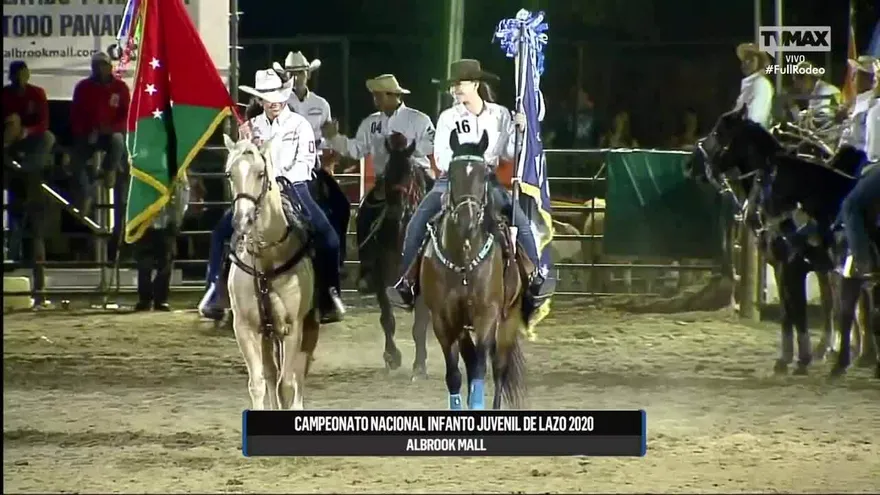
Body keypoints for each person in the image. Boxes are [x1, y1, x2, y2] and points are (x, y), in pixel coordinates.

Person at [385, 58, 545, 311]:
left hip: (486, 181)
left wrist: (519, 131)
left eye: (461, 84)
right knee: (418, 220)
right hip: (452, 181)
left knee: (520, 220)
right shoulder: (449, 117)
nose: (456, 89)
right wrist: (465, 166)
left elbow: (508, 153)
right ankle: (406, 281)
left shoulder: (500, 115)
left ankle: (536, 276)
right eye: (454, 85)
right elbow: (441, 156)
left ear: (476, 84)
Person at [201, 69, 345, 324]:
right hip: (257, 189)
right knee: (221, 232)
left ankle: (329, 294)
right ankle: (214, 291)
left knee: (328, 238)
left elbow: (306, 161)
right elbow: (239, 162)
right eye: (268, 96)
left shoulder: (299, 125)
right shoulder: (252, 128)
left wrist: (278, 177)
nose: (275, 101)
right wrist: (244, 146)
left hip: (294, 185)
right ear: (260, 100)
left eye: (278, 95)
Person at [322, 74, 436, 293]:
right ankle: (367, 268)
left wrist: (409, 147)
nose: (375, 99)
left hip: (417, 173)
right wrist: (335, 138)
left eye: (378, 95)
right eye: (375, 96)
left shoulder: (418, 119)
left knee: (438, 205)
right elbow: (356, 149)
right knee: (365, 212)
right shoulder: (371, 123)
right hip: (387, 178)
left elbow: (431, 142)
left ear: (393, 95)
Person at [274, 51, 350, 272]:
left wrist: (332, 142)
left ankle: (337, 260)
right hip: (285, 167)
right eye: (292, 73)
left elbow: (328, 138)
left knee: (342, 206)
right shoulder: (279, 102)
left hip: (314, 165)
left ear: (308, 74)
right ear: (286, 76)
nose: (297, 77)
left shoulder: (321, 104)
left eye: (300, 72)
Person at [69, 52, 131, 214]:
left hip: (111, 134)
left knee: (118, 140)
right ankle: (87, 194)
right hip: (89, 134)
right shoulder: (83, 87)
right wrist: (86, 132)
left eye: (103, 65)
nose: (99, 69)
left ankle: (109, 170)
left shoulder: (120, 88)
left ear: (110, 67)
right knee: (75, 162)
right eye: (96, 66)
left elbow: (127, 116)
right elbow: (76, 115)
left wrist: (110, 129)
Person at [838, 56, 879, 276]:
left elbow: (870, 148)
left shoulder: (873, 105)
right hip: (867, 158)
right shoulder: (866, 104)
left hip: (872, 161)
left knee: (850, 205)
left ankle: (863, 262)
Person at [135, 176, 190, 311]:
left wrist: (176, 219)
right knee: (152, 262)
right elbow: (182, 194)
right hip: (151, 221)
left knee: (156, 262)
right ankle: (153, 299)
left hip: (156, 221)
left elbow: (182, 194)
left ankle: (151, 299)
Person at [2, 60, 55, 173]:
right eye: (17, 76)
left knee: (48, 137)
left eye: (23, 75)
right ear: (11, 77)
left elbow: (44, 123)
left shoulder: (37, 93)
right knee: (14, 119)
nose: (20, 79)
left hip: (29, 135)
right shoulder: (4, 94)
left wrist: (28, 131)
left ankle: (28, 171)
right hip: (8, 134)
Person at [733, 43, 774, 129]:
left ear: (760, 62)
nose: (746, 63)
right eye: (744, 59)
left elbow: (754, 120)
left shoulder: (761, 84)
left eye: (751, 60)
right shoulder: (750, 84)